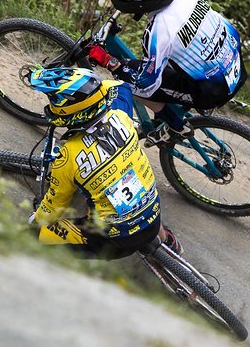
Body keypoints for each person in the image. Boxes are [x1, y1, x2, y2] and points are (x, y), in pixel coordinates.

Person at [85, 0, 247, 147]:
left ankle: (176, 125)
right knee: (149, 67)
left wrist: (110, 62)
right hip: (234, 62)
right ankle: (170, 112)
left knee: (128, 83)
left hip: (213, 90)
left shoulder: (159, 32)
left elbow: (147, 85)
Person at [26, 65, 183, 258]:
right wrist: (95, 87)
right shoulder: (121, 116)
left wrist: (37, 220)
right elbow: (121, 86)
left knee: (35, 236)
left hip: (115, 241)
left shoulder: (67, 157)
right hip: (153, 214)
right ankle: (168, 240)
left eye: (53, 101)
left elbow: (55, 205)